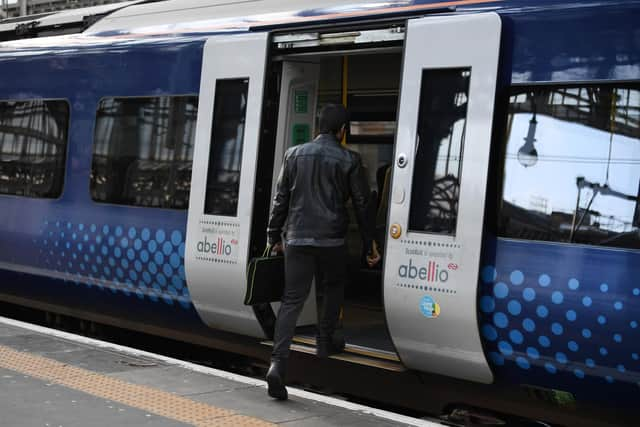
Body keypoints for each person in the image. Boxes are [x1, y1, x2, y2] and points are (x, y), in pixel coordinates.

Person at [265, 103, 380, 400]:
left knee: (292, 299)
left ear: (318, 127)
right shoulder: (349, 159)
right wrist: (369, 244)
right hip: (332, 240)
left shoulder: (293, 154)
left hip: (297, 238)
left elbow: (280, 200)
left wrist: (272, 235)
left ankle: (278, 363)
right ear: (343, 131)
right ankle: (325, 341)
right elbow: (362, 204)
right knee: (332, 287)